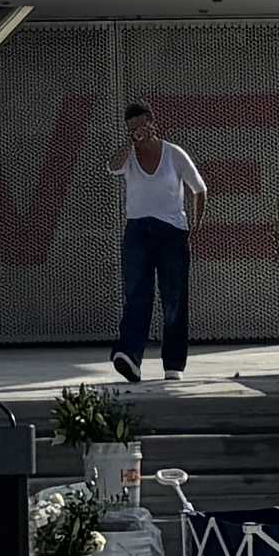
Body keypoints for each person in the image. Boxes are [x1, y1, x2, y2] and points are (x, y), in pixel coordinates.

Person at [111, 98, 207, 380]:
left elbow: (199, 188)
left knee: (174, 297)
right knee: (136, 294)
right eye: (132, 127)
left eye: (142, 124)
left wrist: (197, 225)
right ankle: (129, 355)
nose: (139, 130)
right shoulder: (128, 155)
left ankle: (173, 363)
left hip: (171, 232)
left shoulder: (174, 154)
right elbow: (112, 167)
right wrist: (131, 144)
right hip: (138, 231)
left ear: (153, 122)